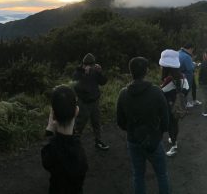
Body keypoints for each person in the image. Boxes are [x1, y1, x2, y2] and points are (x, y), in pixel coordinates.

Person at [117, 57, 171, 194]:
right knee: (162, 175)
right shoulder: (156, 91)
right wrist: (159, 132)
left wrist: (131, 130)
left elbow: (120, 122)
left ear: (131, 72)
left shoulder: (123, 94)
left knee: (138, 175)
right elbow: (166, 119)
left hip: (133, 140)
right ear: (146, 71)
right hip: (154, 139)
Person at [42, 85, 88, 194]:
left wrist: (49, 128)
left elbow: (46, 159)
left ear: (53, 113)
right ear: (76, 110)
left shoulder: (51, 149)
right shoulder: (79, 152)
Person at [72, 53, 110, 151]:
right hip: (83, 103)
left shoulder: (95, 71)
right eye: (88, 64)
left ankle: (98, 141)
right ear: (83, 64)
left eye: (92, 65)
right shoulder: (78, 72)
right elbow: (75, 85)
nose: (90, 66)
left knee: (96, 123)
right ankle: (73, 145)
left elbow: (103, 82)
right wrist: (84, 74)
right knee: (79, 124)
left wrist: (100, 72)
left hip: (95, 102)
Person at [159, 49, 189, 157]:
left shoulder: (168, 79)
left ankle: (174, 145)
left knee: (170, 124)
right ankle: (173, 141)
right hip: (177, 105)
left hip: (168, 106)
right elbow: (186, 89)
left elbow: (161, 93)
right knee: (175, 123)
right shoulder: (182, 77)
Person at [178, 44, 200, 108]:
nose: (192, 52)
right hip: (186, 75)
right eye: (192, 50)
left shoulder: (178, 52)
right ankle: (185, 103)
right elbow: (190, 68)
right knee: (186, 89)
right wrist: (195, 65)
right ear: (190, 48)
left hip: (179, 73)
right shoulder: (187, 56)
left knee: (183, 88)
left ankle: (188, 102)